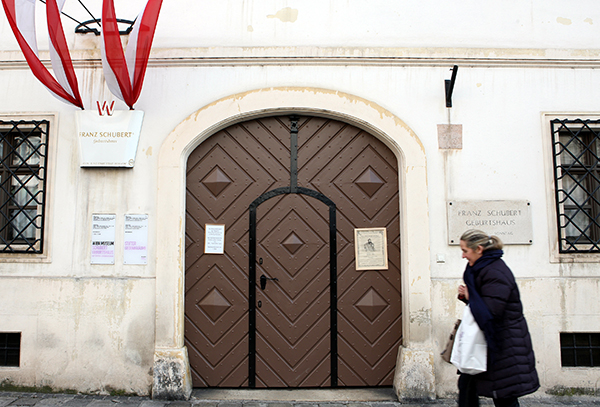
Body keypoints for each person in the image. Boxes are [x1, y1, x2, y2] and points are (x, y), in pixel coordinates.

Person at [456, 229, 539, 407]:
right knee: (468, 386)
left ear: (478, 249)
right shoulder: (480, 268)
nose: (463, 256)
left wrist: (471, 297)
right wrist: (467, 297)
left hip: (503, 343)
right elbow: (483, 304)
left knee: (504, 395)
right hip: (487, 340)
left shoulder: (495, 272)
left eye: (465, 251)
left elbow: (491, 311)